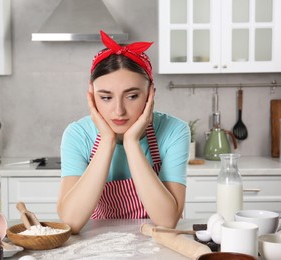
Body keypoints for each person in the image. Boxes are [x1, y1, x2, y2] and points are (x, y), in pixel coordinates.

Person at [57, 31, 190, 234]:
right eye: (106, 98)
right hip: (97, 246)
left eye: (132, 96)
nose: (119, 111)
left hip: (155, 247)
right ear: (92, 96)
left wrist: (131, 143)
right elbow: (71, 223)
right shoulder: (78, 134)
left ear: (150, 94)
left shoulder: (175, 131)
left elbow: (167, 221)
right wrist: (107, 140)